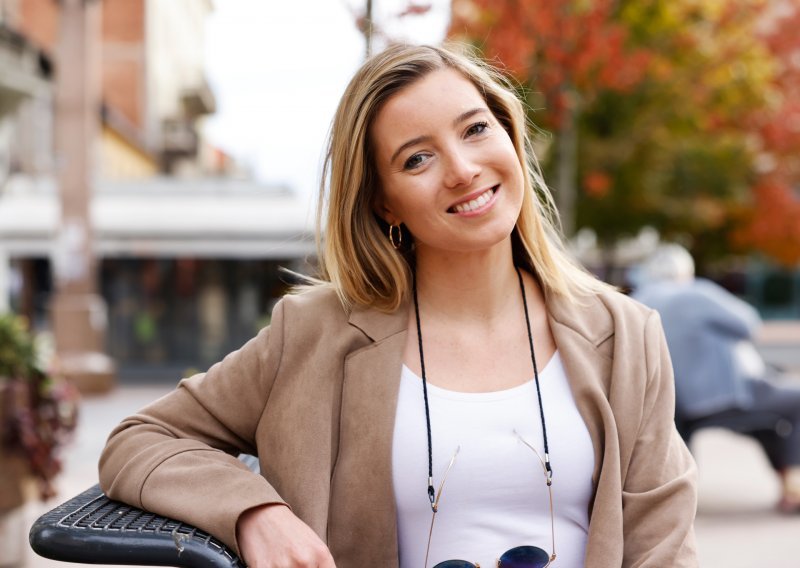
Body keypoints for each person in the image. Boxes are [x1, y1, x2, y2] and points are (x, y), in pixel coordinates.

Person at [99, 44, 698, 568]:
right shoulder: (313, 334)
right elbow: (140, 438)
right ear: (385, 203)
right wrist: (254, 512)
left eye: (475, 129)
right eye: (417, 158)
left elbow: (662, 543)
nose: (464, 170)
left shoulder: (625, 335)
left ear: (510, 136)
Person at [632, 244, 800, 514]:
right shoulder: (695, 293)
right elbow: (748, 324)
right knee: (795, 402)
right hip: (724, 395)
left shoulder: (638, 300)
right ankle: (794, 487)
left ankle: (790, 485)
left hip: (677, 406)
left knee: (768, 426)